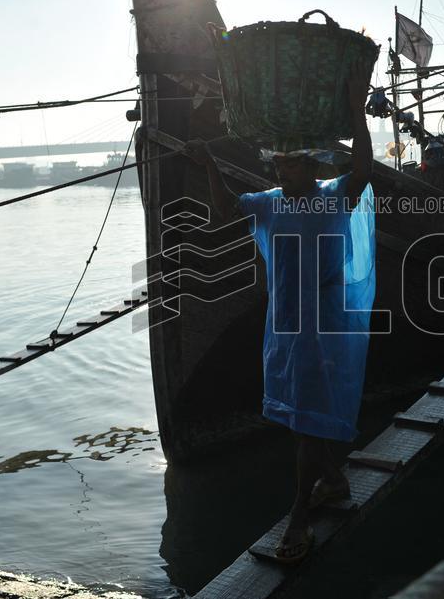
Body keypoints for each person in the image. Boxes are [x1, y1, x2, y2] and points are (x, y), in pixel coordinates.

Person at [183, 59, 375, 563]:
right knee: (297, 409)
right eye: (279, 164)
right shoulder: (269, 203)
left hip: (324, 319)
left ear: (311, 168)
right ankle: (331, 479)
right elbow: (224, 212)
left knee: (308, 414)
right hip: (285, 321)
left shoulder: (333, 199)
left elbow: (364, 170)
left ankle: (299, 515)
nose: (280, 170)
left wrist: (356, 108)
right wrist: (208, 166)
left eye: (290, 164)